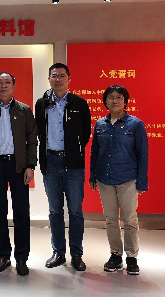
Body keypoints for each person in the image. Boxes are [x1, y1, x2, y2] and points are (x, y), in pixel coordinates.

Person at [0, 72, 37, 276]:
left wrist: (30, 166)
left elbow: (32, 140)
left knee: (21, 212)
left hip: (18, 166)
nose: (4, 86)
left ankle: (22, 257)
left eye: (7, 82)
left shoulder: (24, 110)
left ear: (14, 86)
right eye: (0, 82)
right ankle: (3, 254)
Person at [35, 63, 91, 271]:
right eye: (54, 76)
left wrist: (74, 150)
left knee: (75, 211)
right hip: (50, 162)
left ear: (69, 79)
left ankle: (76, 254)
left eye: (61, 76)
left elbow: (85, 133)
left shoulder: (79, 103)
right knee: (55, 211)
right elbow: (38, 131)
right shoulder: (42, 104)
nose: (57, 79)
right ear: (49, 79)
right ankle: (58, 252)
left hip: (73, 164)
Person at [89, 85, 148, 276]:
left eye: (119, 97)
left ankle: (131, 256)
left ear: (125, 101)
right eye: (111, 97)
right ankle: (115, 254)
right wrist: (92, 175)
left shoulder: (135, 124)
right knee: (111, 219)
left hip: (127, 179)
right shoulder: (100, 124)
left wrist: (142, 181)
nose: (114, 101)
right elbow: (95, 152)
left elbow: (143, 155)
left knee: (130, 219)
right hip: (104, 178)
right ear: (105, 101)